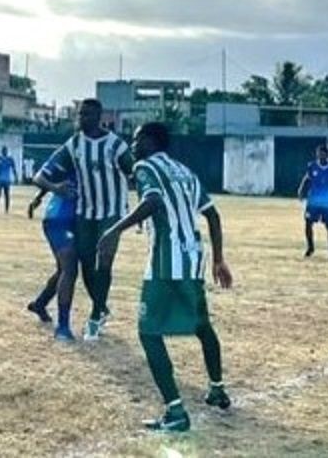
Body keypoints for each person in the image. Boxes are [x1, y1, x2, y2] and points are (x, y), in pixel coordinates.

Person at [98, 122, 232, 432]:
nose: (133, 147)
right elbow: (212, 214)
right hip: (193, 258)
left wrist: (114, 230)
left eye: (136, 140)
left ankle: (175, 411)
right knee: (202, 325)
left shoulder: (145, 167)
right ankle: (217, 389)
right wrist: (219, 259)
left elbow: (154, 200)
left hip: (165, 262)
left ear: (150, 141)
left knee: (148, 332)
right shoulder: (184, 171)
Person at [33, 98, 132, 342]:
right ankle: (65, 314)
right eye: (80, 114)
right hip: (77, 215)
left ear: (99, 117)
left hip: (109, 213)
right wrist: (51, 190)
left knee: (97, 263)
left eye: (87, 114)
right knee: (78, 265)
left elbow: (134, 173)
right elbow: (43, 176)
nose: (82, 119)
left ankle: (94, 315)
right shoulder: (73, 146)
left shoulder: (116, 145)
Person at [26, 162, 79, 341]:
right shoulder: (71, 157)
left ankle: (40, 303)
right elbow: (42, 178)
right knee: (69, 268)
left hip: (75, 220)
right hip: (58, 218)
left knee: (63, 269)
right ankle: (63, 327)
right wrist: (49, 191)